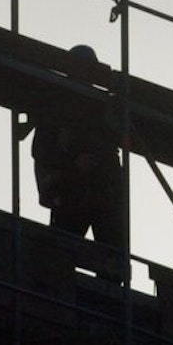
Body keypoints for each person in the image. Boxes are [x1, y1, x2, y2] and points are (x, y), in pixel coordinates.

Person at [30, 45, 126, 252]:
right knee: (62, 253)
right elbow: (42, 151)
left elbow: (113, 148)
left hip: (101, 191)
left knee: (110, 255)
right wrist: (73, 164)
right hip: (72, 190)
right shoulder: (57, 109)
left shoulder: (101, 107)